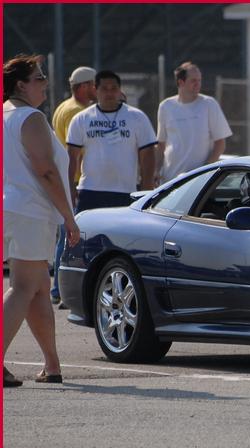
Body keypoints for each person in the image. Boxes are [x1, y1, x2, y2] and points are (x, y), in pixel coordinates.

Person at [3, 54, 80, 387]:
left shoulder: (6, 115)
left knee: (37, 289)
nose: (46, 82)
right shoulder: (29, 117)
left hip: (16, 209)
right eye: (39, 77)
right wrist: (68, 216)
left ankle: (52, 365)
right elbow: (45, 170)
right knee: (24, 288)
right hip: (31, 211)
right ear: (21, 84)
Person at [67, 70, 157, 213]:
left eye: (113, 88)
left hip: (126, 191)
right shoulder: (81, 119)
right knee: (88, 234)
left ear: (120, 90)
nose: (109, 93)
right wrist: (70, 190)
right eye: (104, 89)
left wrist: (147, 191)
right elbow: (71, 158)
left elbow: (148, 156)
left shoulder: (136, 117)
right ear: (95, 90)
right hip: (91, 191)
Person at [50, 66, 96, 307]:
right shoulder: (78, 112)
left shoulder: (62, 108)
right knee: (70, 237)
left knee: (64, 238)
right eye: (93, 85)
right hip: (74, 181)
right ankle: (61, 288)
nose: (96, 90)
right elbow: (75, 150)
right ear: (84, 86)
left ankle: (58, 288)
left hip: (64, 180)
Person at [156, 61, 232, 183]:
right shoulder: (165, 106)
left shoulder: (209, 104)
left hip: (199, 181)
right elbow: (161, 145)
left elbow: (220, 143)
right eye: (193, 81)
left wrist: (206, 168)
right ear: (181, 82)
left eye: (199, 80)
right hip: (170, 179)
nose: (198, 84)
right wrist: (156, 170)